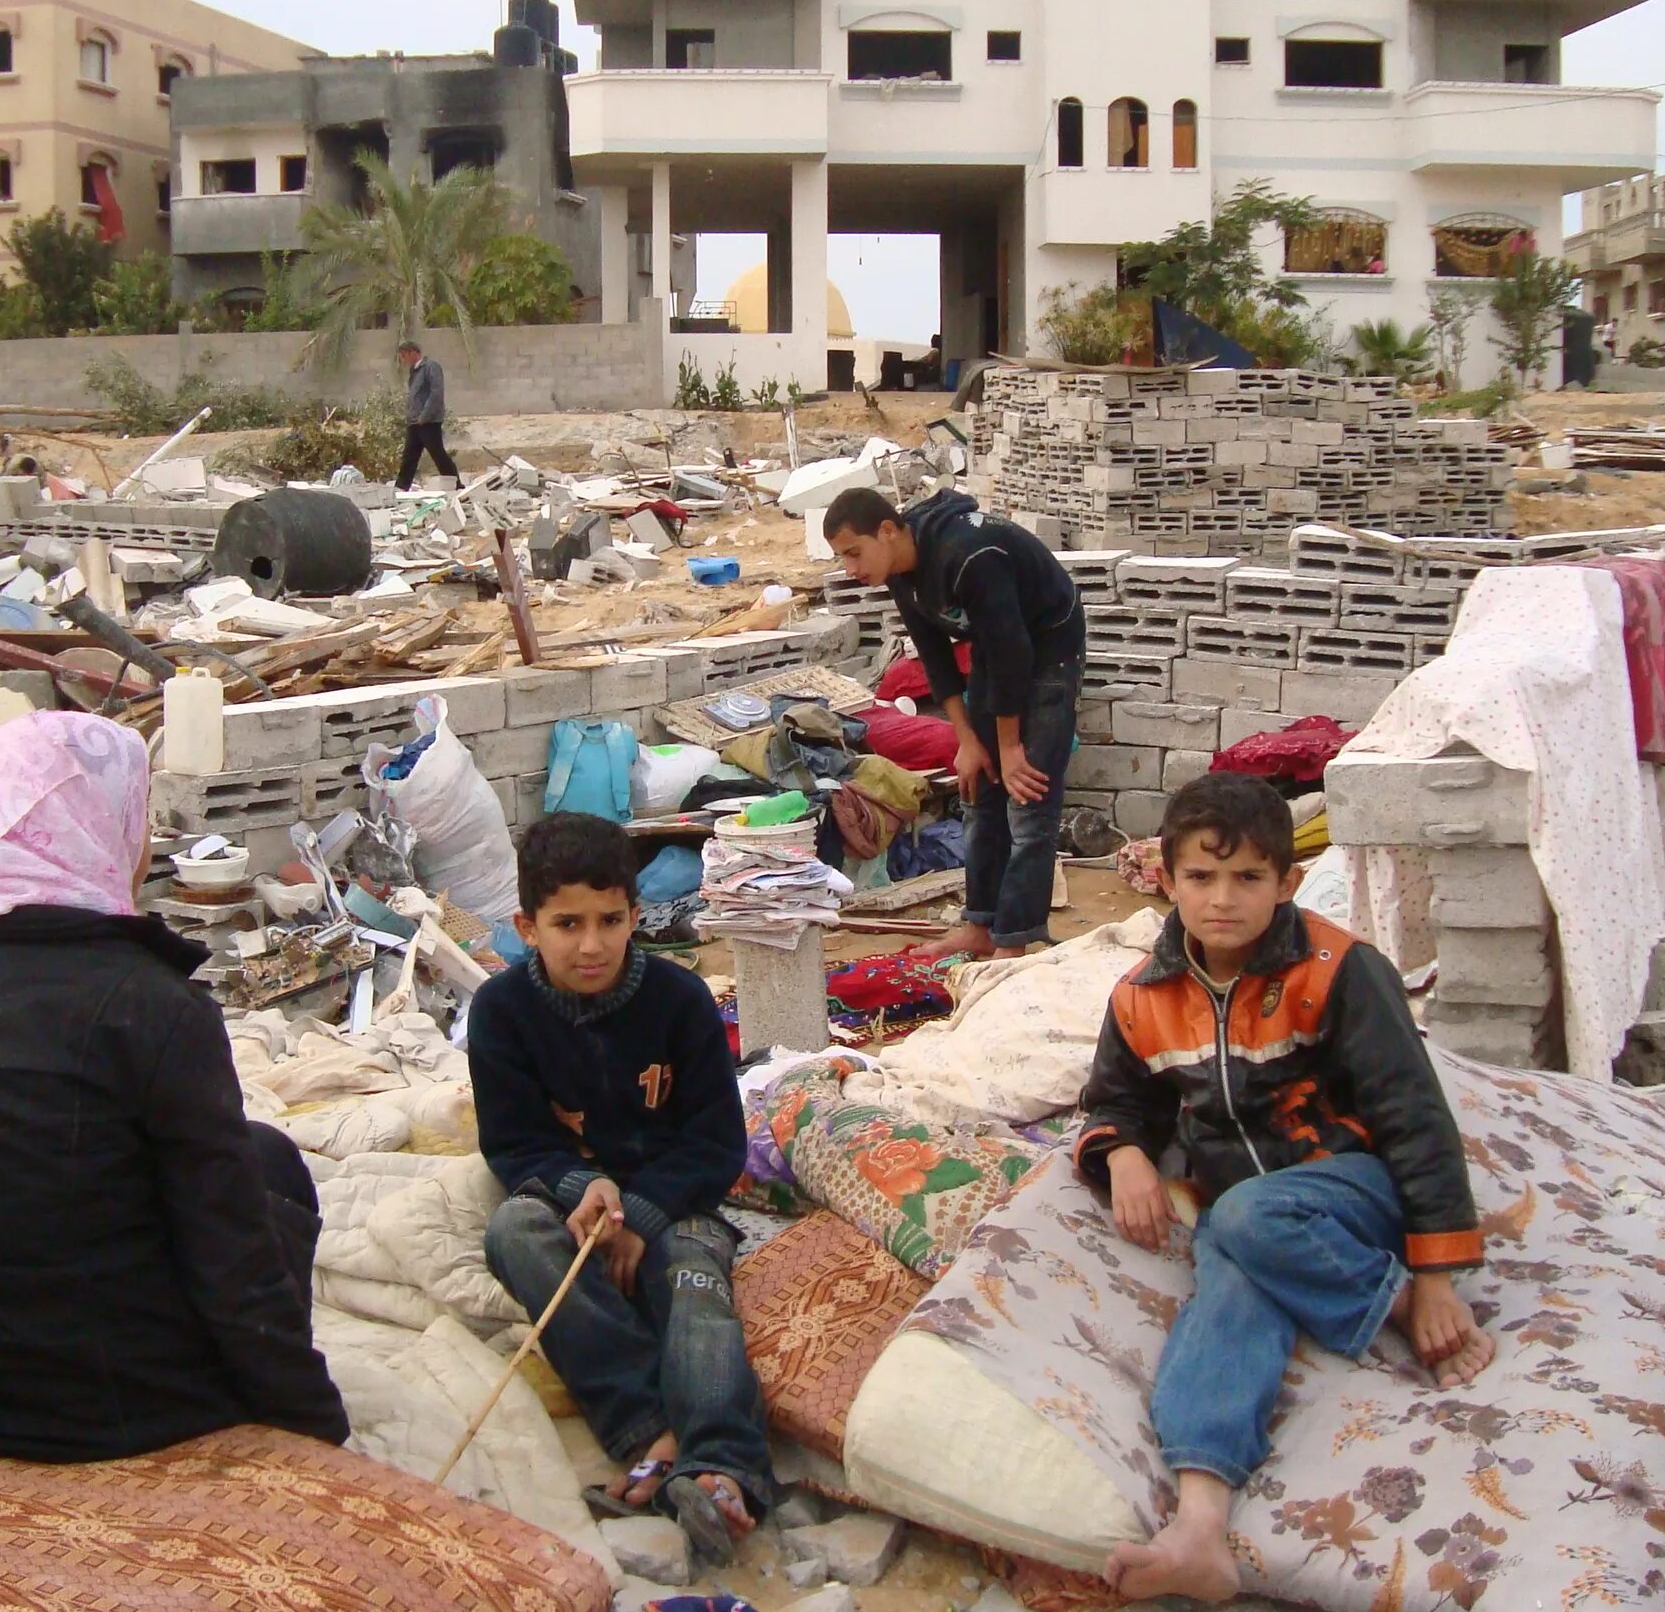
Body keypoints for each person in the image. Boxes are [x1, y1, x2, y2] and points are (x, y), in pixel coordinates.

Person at [0, 712, 347, 1461]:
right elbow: (230, 1260)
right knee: (269, 1168)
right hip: (106, 1408)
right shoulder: (151, 1008)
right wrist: (311, 1426)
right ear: (101, 824)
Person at [1076, 776, 1490, 1604]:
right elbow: (1114, 1102)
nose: (1222, 899)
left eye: (1248, 878)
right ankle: (1200, 1523)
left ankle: (1394, 1303)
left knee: (1242, 1216)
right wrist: (1121, 1155)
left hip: (1348, 1190)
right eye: (1200, 877)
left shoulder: (1339, 970)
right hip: (1245, 1223)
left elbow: (1412, 1116)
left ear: (1287, 883)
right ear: (1163, 877)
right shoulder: (1141, 998)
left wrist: (1434, 1276)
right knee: (1224, 1297)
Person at [470, 813, 769, 1565]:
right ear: (526, 927)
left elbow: (716, 1143)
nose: (592, 944)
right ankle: (645, 1429)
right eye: (567, 923)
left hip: (675, 1204)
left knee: (698, 1292)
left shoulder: (679, 1001)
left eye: (610, 921)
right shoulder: (502, 1012)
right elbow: (512, 1141)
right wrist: (584, 1187)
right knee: (512, 1233)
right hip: (570, 1205)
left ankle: (722, 1464)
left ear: (638, 917)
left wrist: (639, 1212)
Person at [822, 486, 1084, 962]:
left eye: (854, 553)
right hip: (995, 648)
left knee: (1027, 801)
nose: (851, 570)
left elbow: (1014, 651)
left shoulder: (968, 554)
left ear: (886, 531)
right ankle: (981, 926)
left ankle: (1015, 939)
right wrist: (967, 741)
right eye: (843, 559)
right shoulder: (902, 572)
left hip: (1048, 648)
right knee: (980, 793)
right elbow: (937, 660)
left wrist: (1009, 747)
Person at [395, 337, 460, 493]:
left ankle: (456, 484)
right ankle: (401, 487)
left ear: (412, 353)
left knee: (438, 454)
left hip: (428, 421)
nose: (403, 360)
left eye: (404, 356)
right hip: (415, 422)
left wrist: (425, 415)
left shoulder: (431, 367)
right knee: (409, 456)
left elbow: (436, 393)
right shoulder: (414, 372)